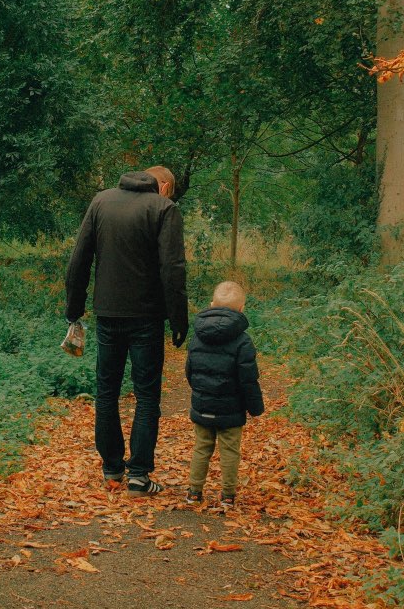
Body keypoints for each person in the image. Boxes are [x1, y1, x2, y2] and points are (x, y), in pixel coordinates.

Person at [65, 165, 188, 495]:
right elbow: (172, 268)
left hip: (107, 314)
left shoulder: (101, 201)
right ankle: (139, 476)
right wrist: (179, 319)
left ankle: (112, 470)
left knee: (107, 392)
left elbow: (79, 258)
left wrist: (73, 309)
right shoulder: (164, 209)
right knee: (147, 395)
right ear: (161, 185)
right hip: (147, 316)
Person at [185, 280, 264, 510]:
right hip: (231, 409)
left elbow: (190, 370)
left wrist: (200, 390)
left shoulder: (197, 336)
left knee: (202, 447)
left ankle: (194, 492)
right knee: (229, 451)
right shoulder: (242, 341)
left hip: (202, 404)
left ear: (212, 305)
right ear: (241, 309)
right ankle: (227, 495)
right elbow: (248, 380)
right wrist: (255, 408)